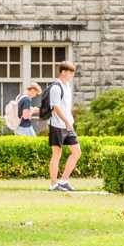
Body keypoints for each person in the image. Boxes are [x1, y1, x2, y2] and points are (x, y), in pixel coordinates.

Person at [44, 62, 80, 193]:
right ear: (63, 72)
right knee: (57, 154)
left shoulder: (67, 86)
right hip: (57, 125)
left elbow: (65, 106)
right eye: (70, 72)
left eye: (73, 72)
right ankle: (53, 184)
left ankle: (64, 181)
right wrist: (66, 121)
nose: (72, 75)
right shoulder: (56, 87)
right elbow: (56, 107)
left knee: (77, 152)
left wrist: (69, 120)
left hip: (68, 124)